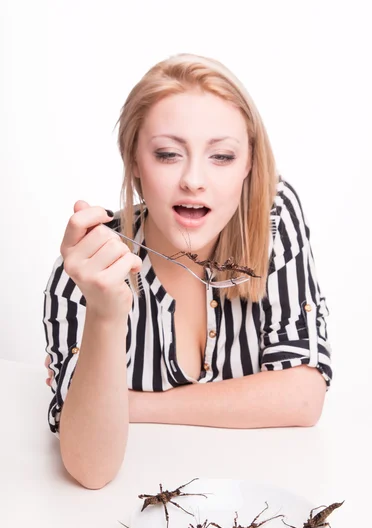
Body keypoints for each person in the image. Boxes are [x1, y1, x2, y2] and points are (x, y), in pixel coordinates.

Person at [42, 53, 332, 489]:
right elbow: (91, 470)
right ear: (135, 161)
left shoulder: (273, 218)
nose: (194, 180)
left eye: (221, 156)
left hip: (262, 496)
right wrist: (105, 313)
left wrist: (133, 406)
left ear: (249, 163)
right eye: (168, 154)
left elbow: (305, 398)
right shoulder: (88, 272)